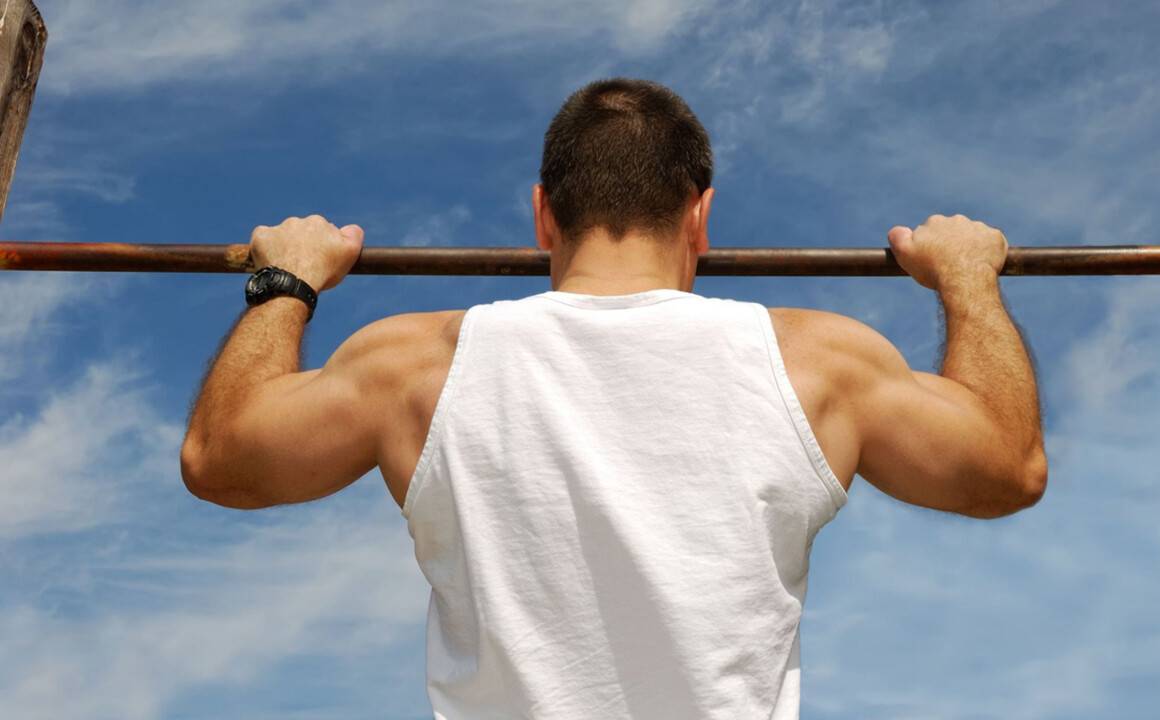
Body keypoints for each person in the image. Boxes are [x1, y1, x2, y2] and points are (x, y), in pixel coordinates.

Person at [181, 77, 1047, 719]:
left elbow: (222, 460)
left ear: (543, 216)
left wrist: (287, 281)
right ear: (700, 215)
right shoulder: (821, 362)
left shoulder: (413, 363)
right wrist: (968, 281)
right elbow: (1007, 469)